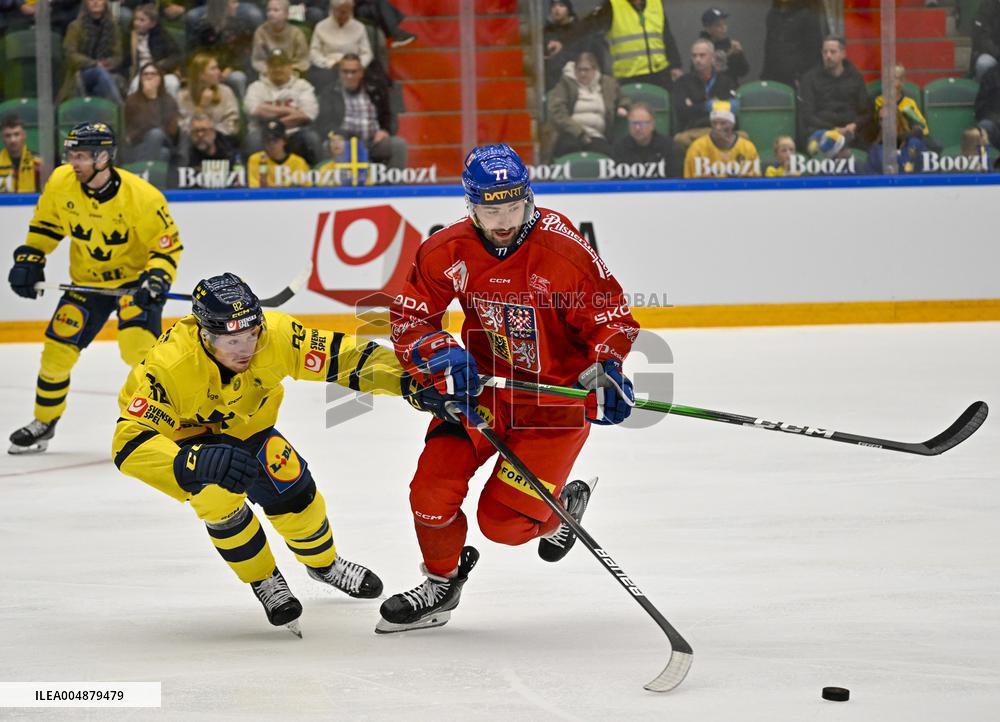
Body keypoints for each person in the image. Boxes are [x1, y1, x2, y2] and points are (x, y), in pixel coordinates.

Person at [377, 143, 638, 633]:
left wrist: (608, 368)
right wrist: (439, 355)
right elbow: (411, 320)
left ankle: (559, 514)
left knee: (504, 526)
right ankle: (440, 584)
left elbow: (612, 318)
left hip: (554, 404)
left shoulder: (563, 250)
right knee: (430, 492)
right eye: (490, 209)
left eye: (513, 207)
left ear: (529, 198)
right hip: (485, 392)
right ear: (469, 205)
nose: (503, 220)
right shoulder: (446, 250)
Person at [111, 273, 406, 634]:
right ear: (205, 335)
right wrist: (189, 462)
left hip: (250, 428)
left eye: (251, 334)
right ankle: (264, 578)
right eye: (232, 340)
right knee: (220, 503)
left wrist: (412, 379)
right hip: (187, 440)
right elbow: (128, 442)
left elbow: (344, 358)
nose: (246, 348)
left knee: (298, 494)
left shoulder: (276, 335)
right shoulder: (169, 365)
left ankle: (324, 565)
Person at [7, 123, 184, 454]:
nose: (73, 162)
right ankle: (44, 422)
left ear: (103, 157)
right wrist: (31, 257)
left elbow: (165, 248)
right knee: (55, 355)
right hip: (86, 284)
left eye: (81, 156)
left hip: (132, 286)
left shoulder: (142, 197)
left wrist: (156, 280)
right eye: (71, 154)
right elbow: (47, 225)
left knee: (139, 351)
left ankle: (164, 420)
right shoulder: (62, 182)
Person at [317, 53, 406, 169]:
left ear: (361, 73)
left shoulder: (375, 89)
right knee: (331, 146)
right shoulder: (329, 93)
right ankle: (342, 185)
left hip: (373, 142)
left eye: (353, 72)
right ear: (339, 73)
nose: (349, 76)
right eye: (345, 71)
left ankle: (390, 186)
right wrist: (341, 136)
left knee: (398, 145)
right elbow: (323, 124)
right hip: (344, 142)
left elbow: (389, 116)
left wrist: (385, 130)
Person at [568, 0, 683, 89]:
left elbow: (666, 36)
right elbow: (589, 30)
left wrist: (675, 65)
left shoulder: (655, 3)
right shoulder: (612, 6)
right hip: (628, 76)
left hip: (660, 74)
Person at [244, 48, 322, 165]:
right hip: (264, 133)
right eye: (273, 65)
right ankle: (253, 180)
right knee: (252, 140)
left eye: (282, 65)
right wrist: (290, 111)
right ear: (267, 67)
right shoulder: (256, 87)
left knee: (311, 138)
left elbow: (309, 114)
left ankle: (314, 178)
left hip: (294, 133)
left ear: (290, 66)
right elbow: (253, 109)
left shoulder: (302, 86)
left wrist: (271, 115)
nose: (278, 69)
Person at [545, 50, 625, 159]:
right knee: (568, 149)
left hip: (597, 136)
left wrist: (623, 106)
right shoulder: (566, 84)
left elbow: (623, 98)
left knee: (607, 156)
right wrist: (579, 133)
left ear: (594, 70)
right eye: (579, 70)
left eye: (586, 70)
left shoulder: (608, 84)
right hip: (571, 134)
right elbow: (557, 111)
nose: (582, 74)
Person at [798, 36, 871, 145]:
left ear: (843, 54)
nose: (828, 56)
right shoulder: (810, 79)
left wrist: (855, 125)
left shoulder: (855, 77)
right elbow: (807, 115)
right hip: (821, 133)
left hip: (851, 133)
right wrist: (833, 129)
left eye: (833, 52)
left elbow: (866, 111)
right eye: (825, 52)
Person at [672, 38, 738, 153]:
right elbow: (682, 111)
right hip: (693, 131)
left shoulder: (726, 81)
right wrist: (707, 106)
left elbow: (732, 110)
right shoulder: (683, 82)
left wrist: (695, 106)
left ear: (712, 57)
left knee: (744, 136)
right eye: (694, 56)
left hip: (721, 131)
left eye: (702, 55)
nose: (697, 60)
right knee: (679, 140)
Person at [60, 0, 125, 104]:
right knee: (99, 72)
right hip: (82, 72)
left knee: (107, 79)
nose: (95, 2)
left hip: (107, 71)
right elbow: (70, 55)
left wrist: (108, 63)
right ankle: (120, 109)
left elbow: (118, 56)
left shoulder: (113, 26)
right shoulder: (75, 26)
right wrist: (94, 64)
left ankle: (105, 115)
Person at [189, 0, 256, 99]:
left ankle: (241, 106)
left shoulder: (239, 26)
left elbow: (243, 53)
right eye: (233, 3)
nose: (237, 6)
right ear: (222, 6)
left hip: (230, 70)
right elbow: (197, 54)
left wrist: (231, 68)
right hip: (207, 69)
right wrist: (213, 69)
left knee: (238, 77)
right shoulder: (203, 28)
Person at [683, 100, 760, 179]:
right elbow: (688, 182)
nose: (718, 127)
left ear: (732, 124)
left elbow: (756, 182)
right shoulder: (697, 148)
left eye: (723, 123)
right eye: (714, 123)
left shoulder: (747, 148)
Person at [308, 0, 374, 90]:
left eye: (347, 12)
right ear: (333, 10)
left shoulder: (359, 27)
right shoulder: (320, 26)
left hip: (353, 66)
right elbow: (314, 52)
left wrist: (357, 65)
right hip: (328, 67)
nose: (344, 15)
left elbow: (367, 53)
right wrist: (329, 63)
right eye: (341, 12)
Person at [123, 63, 181, 165]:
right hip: (139, 144)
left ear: (160, 78)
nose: (149, 77)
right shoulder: (132, 100)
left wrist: (152, 99)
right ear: (140, 79)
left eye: (153, 74)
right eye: (145, 74)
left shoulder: (169, 100)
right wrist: (151, 100)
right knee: (163, 154)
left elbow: (171, 130)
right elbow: (135, 129)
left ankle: (141, 175)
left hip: (165, 141)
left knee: (156, 134)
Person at [543, 0, 606, 92]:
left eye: (561, 5)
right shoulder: (546, 32)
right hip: (553, 85)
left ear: (569, 9)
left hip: (580, 84)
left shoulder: (580, 32)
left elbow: (594, 56)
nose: (556, 9)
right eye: (554, 6)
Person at [177, 52, 242, 140]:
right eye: (213, 69)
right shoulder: (183, 96)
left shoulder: (226, 92)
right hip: (192, 141)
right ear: (200, 75)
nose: (219, 72)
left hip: (220, 140)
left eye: (217, 67)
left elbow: (232, 126)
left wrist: (209, 131)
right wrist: (200, 108)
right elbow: (183, 128)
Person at [122, 4, 183, 97]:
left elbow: (176, 55)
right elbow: (125, 61)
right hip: (141, 72)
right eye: (135, 19)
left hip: (160, 71)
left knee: (173, 83)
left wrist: (160, 66)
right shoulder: (130, 36)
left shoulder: (162, 36)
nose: (137, 23)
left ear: (152, 23)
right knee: (135, 86)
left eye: (142, 20)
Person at [761, 0, 823, 88]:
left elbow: (814, 52)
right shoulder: (772, 15)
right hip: (772, 76)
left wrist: (801, 76)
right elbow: (769, 47)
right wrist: (765, 75)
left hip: (796, 80)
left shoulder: (807, 16)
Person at [251, 0, 311, 76]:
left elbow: (303, 60)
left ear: (286, 14)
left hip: (292, 74)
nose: (271, 14)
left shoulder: (296, 33)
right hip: (267, 74)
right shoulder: (261, 32)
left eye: (276, 10)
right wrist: (272, 70)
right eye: (269, 10)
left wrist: (287, 70)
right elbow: (258, 60)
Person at [611, 102, 674, 173]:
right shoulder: (620, 148)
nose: (637, 128)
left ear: (652, 125)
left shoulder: (667, 146)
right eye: (633, 123)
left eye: (642, 124)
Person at [247, 119, 311, 187]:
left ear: (284, 141)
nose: (271, 144)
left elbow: (304, 189)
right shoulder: (256, 160)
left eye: (275, 140)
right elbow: (254, 189)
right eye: (268, 140)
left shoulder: (298, 162)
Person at [699, 7, 748, 86]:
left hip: (730, 90)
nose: (723, 28)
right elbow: (703, 73)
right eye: (718, 25)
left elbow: (743, 71)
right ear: (708, 29)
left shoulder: (730, 44)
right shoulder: (700, 47)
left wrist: (739, 54)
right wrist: (728, 55)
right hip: (708, 91)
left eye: (724, 24)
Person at [0, 115, 41, 194]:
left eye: (16, 134)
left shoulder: (38, 162)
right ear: (3, 138)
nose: (13, 140)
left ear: (24, 135)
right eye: (8, 136)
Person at [971, 0, 1000, 80]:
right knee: (984, 63)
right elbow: (982, 38)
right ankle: (984, 91)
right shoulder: (987, 5)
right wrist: (997, 53)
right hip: (992, 54)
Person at [975, 62, 1000, 151]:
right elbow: (980, 106)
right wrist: (996, 119)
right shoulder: (992, 75)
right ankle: (988, 163)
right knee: (984, 126)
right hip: (996, 124)